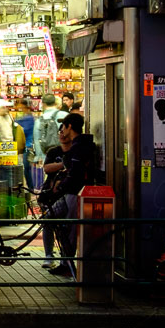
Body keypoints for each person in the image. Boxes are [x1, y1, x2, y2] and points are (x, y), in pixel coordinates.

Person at [41, 113, 100, 277]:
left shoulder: (78, 147)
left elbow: (76, 173)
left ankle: (67, 265)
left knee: (71, 230)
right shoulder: (80, 145)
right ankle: (63, 262)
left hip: (75, 194)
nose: (62, 131)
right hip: (71, 193)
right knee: (51, 219)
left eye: (64, 126)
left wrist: (61, 187)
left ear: (69, 127)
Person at [34, 95, 67, 189]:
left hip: (47, 155)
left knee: (49, 181)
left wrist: (39, 157)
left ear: (43, 104)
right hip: (64, 153)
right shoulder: (64, 115)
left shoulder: (39, 120)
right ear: (55, 103)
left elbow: (37, 140)